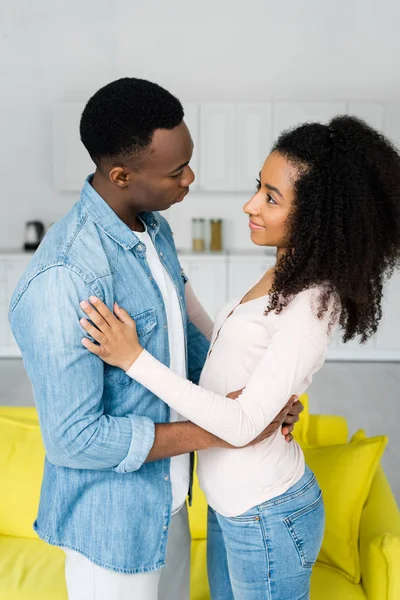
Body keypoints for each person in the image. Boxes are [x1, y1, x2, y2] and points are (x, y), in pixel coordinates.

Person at [77, 115, 400, 600]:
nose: (250, 205)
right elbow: (226, 342)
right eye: (258, 187)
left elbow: (246, 424)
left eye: (272, 197)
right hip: (232, 507)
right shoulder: (282, 274)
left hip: (267, 514)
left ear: (316, 215)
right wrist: (171, 280)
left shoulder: (313, 302)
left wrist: (134, 359)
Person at [8, 77, 302, 600]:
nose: (190, 177)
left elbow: (180, 341)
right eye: (175, 171)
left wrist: (255, 404)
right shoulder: (65, 279)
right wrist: (224, 430)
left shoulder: (152, 228)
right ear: (121, 175)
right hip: (113, 531)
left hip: (169, 500)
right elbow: (74, 439)